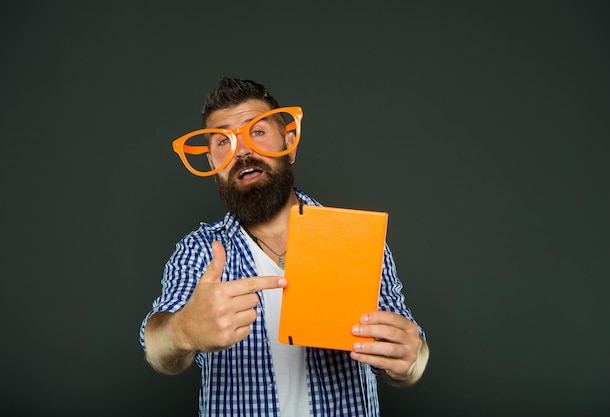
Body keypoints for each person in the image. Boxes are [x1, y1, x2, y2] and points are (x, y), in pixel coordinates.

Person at [139, 77, 429, 416]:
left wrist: (410, 361)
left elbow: (409, 353)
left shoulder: (354, 240)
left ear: (289, 143)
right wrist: (182, 330)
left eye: (257, 132)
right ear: (211, 163)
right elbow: (157, 345)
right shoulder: (200, 251)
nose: (242, 150)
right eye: (222, 141)